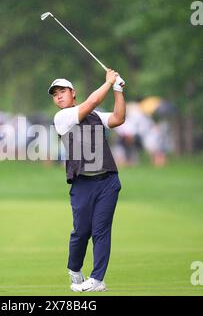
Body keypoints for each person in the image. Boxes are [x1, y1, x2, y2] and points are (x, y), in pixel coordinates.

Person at [49, 69, 126, 292]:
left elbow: (118, 118)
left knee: (101, 230)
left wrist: (118, 90)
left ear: (73, 93)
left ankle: (97, 278)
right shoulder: (62, 117)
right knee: (81, 231)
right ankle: (74, 269)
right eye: (55, 94)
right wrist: (108, 82)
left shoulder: (95, 115)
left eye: (62, 91)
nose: (59, 96)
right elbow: (92, 101)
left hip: (108, 181)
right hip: (83, 184)